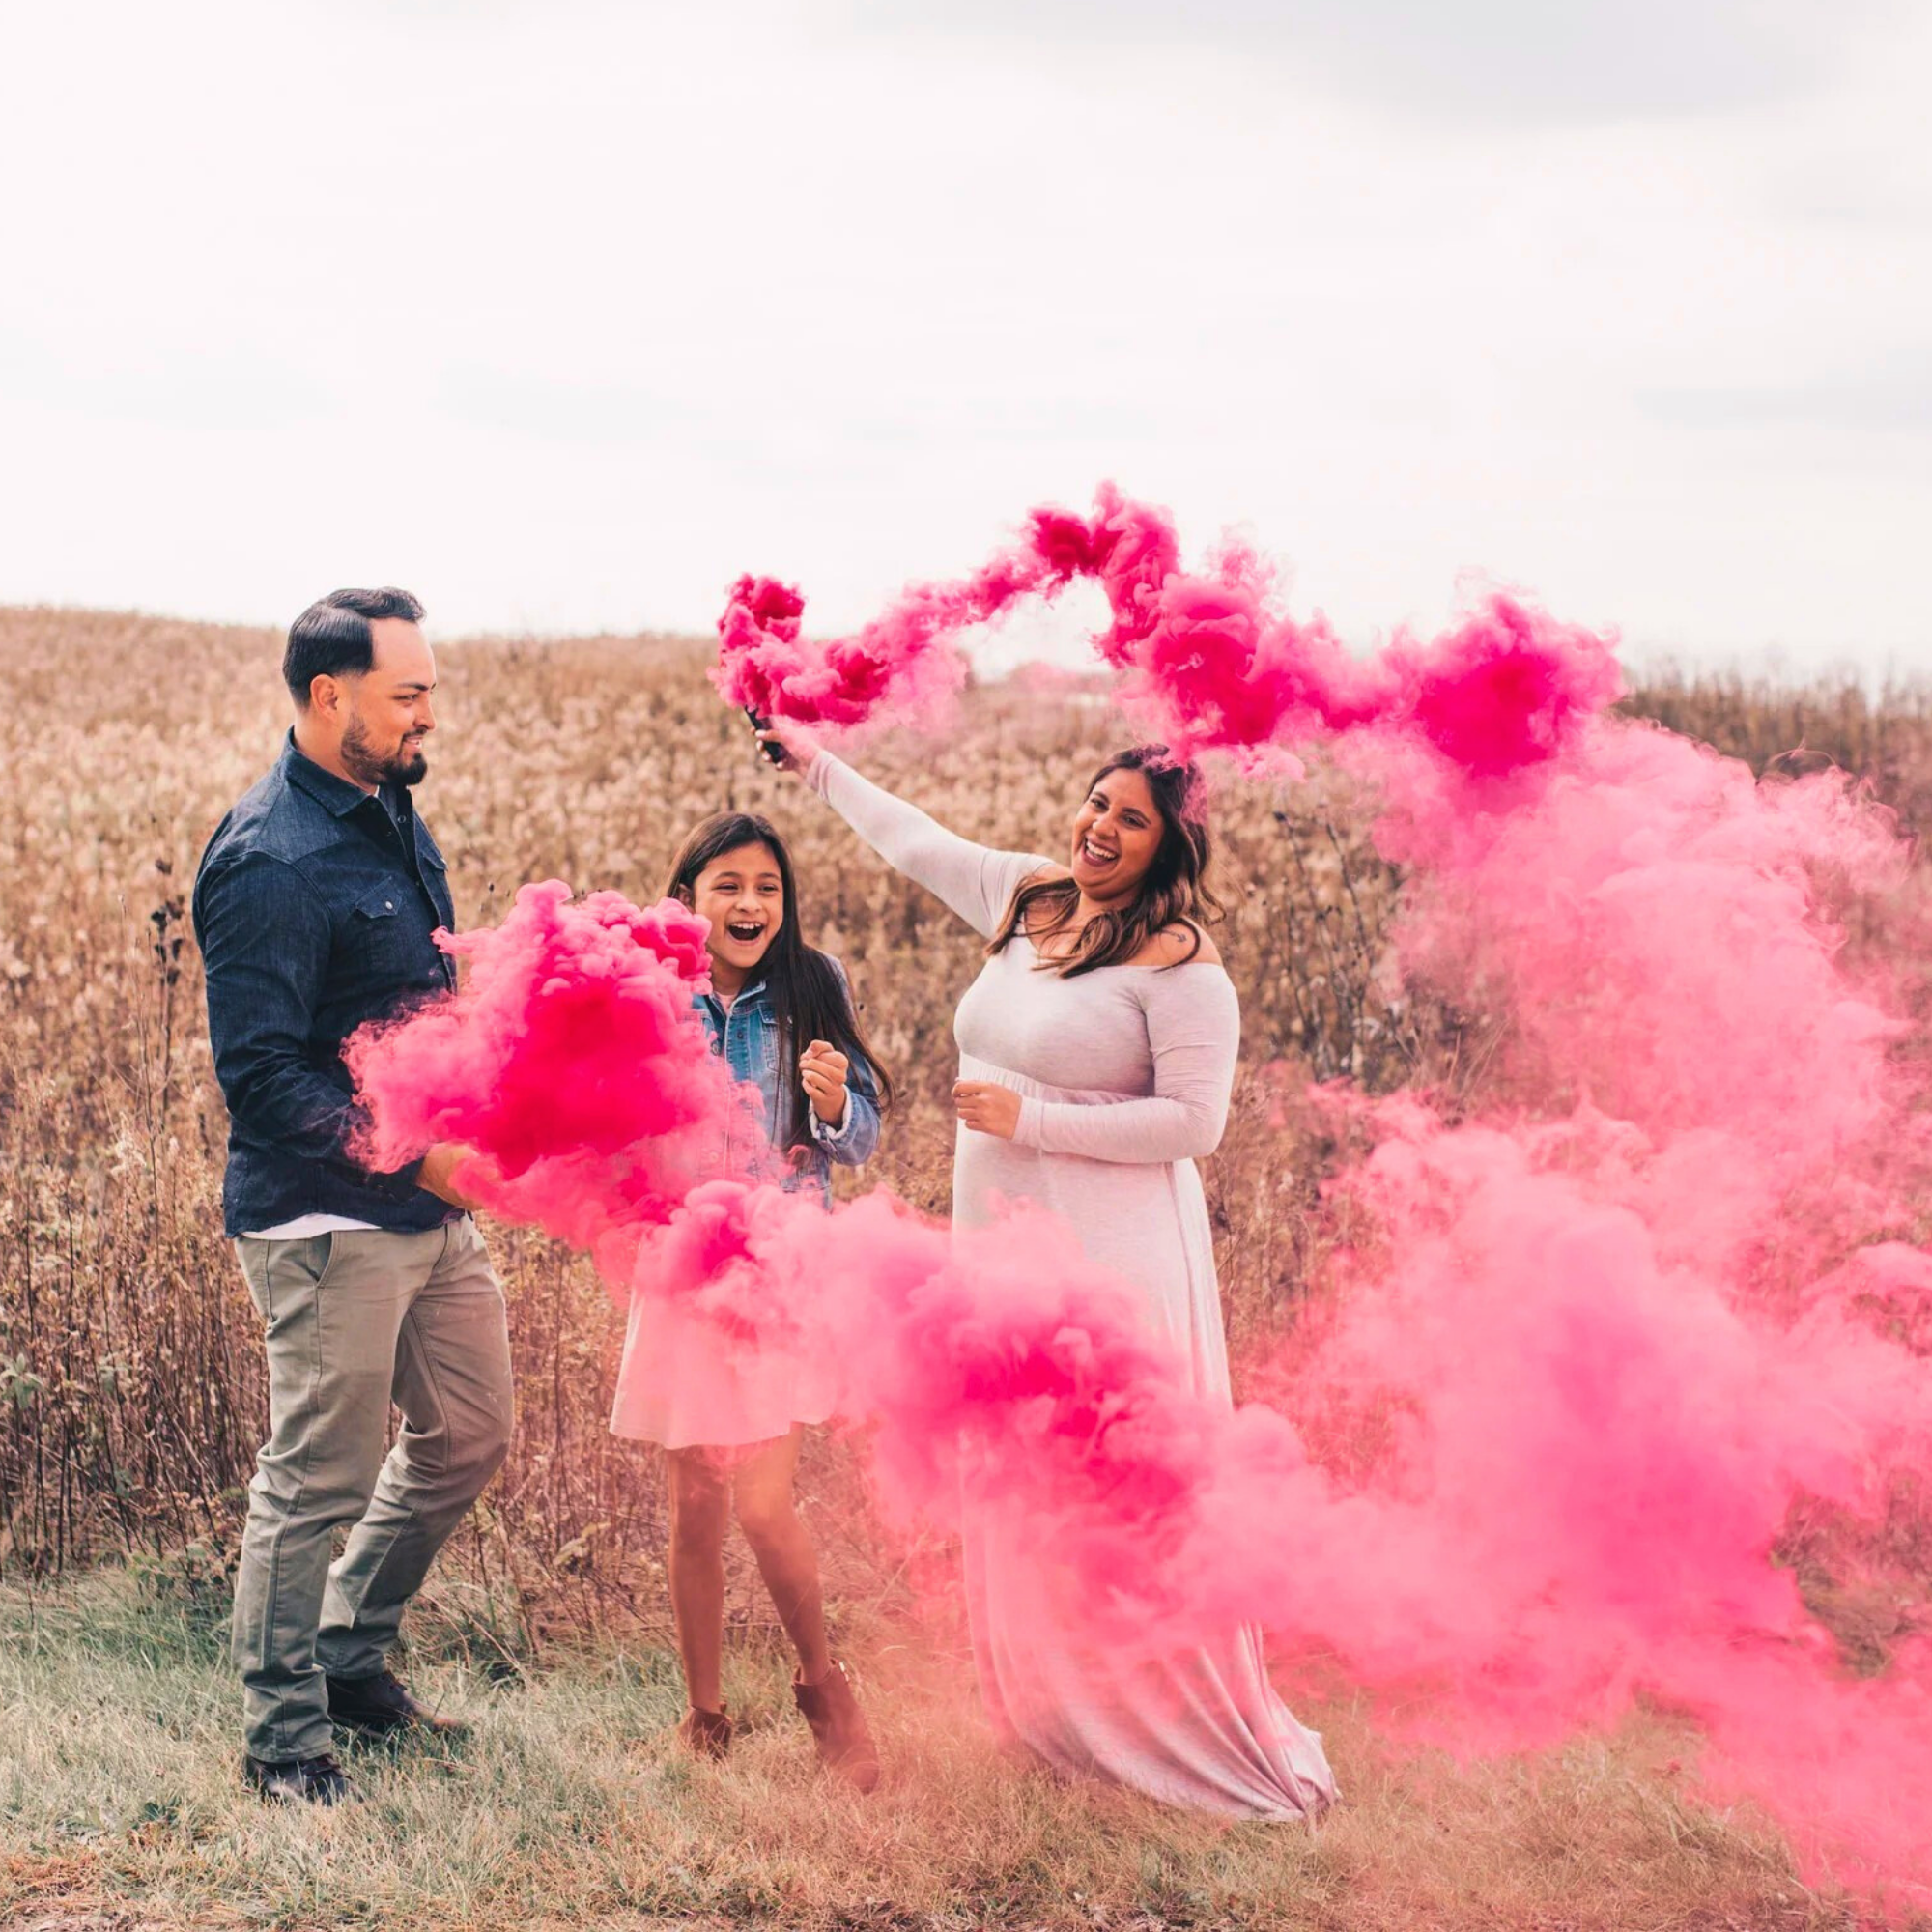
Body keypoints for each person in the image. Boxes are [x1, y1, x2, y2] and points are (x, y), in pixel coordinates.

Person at [755, 720, 1336, 1822]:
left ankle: (1172, 1728)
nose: (1099, 828)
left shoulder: (1180, 967)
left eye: (1129, 819)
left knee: (1108, 1485)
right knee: (1026, 1479)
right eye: (1094, 802)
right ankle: (1060, 1717)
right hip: (1002, 1235)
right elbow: (912, 841)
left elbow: (1194, 1125)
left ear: (1169, 846)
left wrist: (1032, 1113)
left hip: (1110, 1253)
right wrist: (815, 761)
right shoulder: (1033, 900)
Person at [192, 587, 511, 1806]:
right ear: (331, 699)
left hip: (428, 1211)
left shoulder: (391, 810)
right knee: (315, 1479)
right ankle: (283, 1739)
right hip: (327, 1219)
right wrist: (411, 1155)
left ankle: (346, 1655)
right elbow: (261, 1075)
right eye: (407, 691)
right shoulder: (269, 856)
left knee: (470, 1432)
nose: (429, 710)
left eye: (429, 685)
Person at [611, 811, 888, 1789]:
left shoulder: (814, 984)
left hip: (777, 1273)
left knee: (767, 1502)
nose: (749, 904)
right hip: (683, 1267)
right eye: (726, 884)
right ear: (688, 894)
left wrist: (827, 1103)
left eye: (766, 886)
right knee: (696, 1497)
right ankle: (705, 1713)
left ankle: (823, 1686)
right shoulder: (648, 990)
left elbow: (860, 1139)